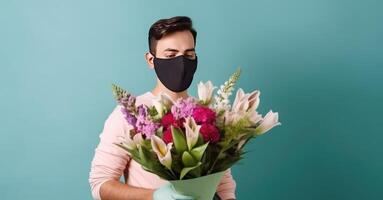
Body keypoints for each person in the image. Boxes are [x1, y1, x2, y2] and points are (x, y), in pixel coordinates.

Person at [88, 16, 237, 200]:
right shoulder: (131, 114)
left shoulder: (208, 115)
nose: (181, 63)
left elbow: (224, 187)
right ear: (151, 60)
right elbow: (101, 184)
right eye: (170, 55)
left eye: (189, 55)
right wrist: (156, 196)